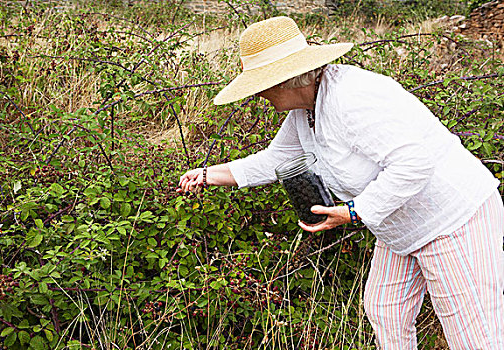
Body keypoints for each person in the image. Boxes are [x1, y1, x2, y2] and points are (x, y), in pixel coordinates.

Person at [177, 16, 503, 349]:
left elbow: (414, 163)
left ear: (285, 80)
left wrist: (353, 211)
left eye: (260, 84)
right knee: (386, 310)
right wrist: (206, 175)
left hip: (452, 219)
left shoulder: (353, 97)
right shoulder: (306, 110)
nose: (258, 95)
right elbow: (276, 160)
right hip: (402, 226)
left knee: (474, 334)